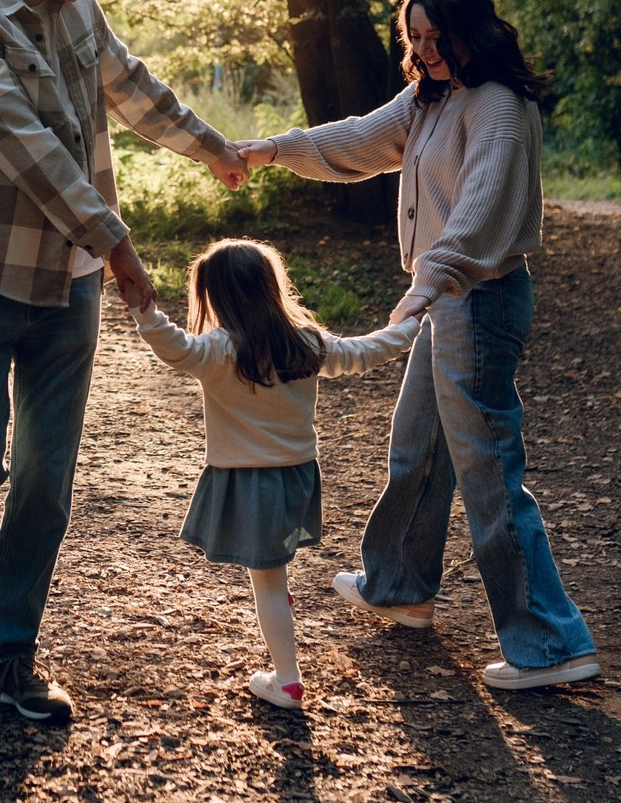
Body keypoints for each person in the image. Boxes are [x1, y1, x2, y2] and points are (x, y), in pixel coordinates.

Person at [0, 0, 248, 723]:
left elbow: (134, 90)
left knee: (43, 481)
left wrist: (211, 146)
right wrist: (117, 239)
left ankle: (10, 658)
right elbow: (27, 149)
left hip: (69, 286)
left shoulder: (79, 11)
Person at [237, 0, 601, 690]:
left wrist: (429, 282)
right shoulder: (434, 96)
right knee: (417, 449)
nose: (427, 51)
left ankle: (553, 644)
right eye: (416, 39)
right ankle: (400, 586)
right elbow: (360, 141)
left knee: (489, 473)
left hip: (480, 299)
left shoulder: (497, 105)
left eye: (439, 38)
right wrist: (274, 150)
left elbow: (479, 208)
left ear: (475, 31)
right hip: (451, 301)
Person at [129, 239, 418, 709]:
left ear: (216, 295)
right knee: (273, 578)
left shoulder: (221, 349)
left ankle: (287, 680)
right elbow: (366, 352)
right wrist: (410, 323)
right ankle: (285, 669)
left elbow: (174, 348)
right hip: (296, 478)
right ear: (270, 286)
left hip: (248, 483)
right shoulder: (304, 341)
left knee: (269, 583)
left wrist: (146, 312)